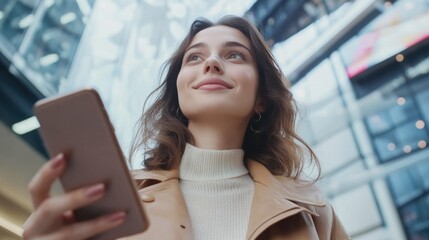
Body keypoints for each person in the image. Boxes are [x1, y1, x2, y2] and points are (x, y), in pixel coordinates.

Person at [23, 15, 350, 240]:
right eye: (194, 58)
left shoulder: (314, 212)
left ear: (262, 98)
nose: (211, 63)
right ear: (179, 92)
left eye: (235, 55)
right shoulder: (120, 204)